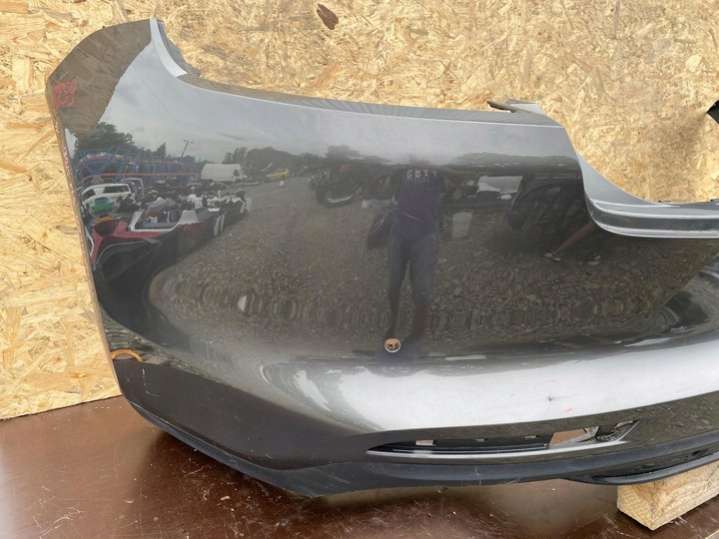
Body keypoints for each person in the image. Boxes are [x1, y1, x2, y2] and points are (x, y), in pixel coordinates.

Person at [384, 167, 443, 352]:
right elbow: (386, 184)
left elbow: (459, 182)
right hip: (399, 230)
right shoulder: (402, 160)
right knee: (393, 283)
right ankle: (390, 329)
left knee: (422, 288)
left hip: (426, 233)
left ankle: (417, 336)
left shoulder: (439, 163)